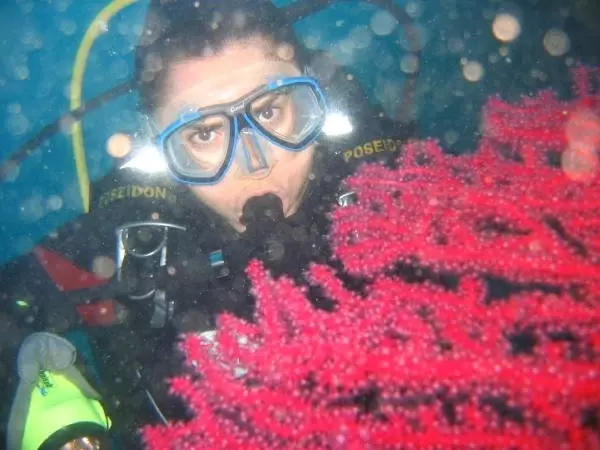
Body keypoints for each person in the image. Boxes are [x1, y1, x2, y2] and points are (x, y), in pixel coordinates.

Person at [12, 0, 416, 446]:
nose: (257, 164)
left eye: (269, 112)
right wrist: (40, 390)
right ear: (163, 146)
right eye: (205, 133)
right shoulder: (136, 237)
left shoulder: (390, 181)